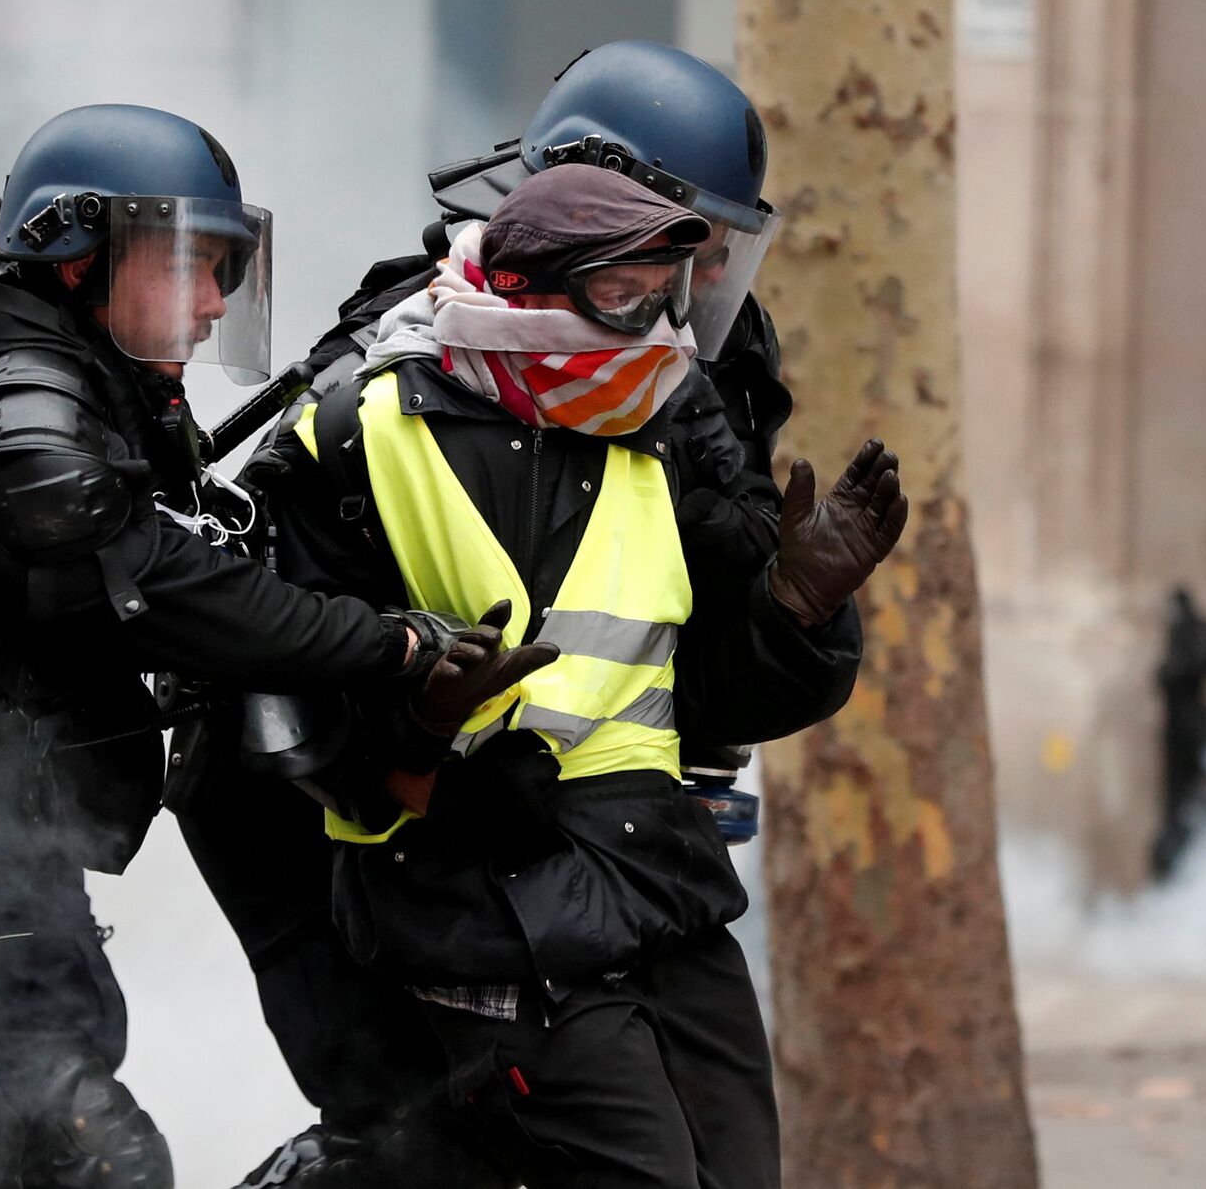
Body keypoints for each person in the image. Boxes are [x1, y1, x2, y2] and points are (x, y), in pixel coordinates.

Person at [0, 102, 550, 1189]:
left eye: (229, 268)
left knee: (105, 1161)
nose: (218, 299)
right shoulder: (12, 403)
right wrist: (393, 649)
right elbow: (168, 584)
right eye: (191, 263)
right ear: (76, 255)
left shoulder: (78, 388)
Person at [183, 41, 802, 1186]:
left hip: (586, 858)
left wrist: (800, 612)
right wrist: (418, 774)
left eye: (721, 253)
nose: (701, 286)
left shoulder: (701, 365)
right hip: (318, 812)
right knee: (402, 1132)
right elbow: (275, 660)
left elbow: (713, 642)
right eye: (684, 248)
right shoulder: (404, 367)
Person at [251, 164, 904, 1189]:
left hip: (662, 889)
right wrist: (420, 728)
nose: (656, 320)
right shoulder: (357, 430)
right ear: (519, 291)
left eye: (668, 289)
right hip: (486, 907)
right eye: (622, 291)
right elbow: (295, 721)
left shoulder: (655, 432)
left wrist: (796, 610)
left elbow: (704, 698)